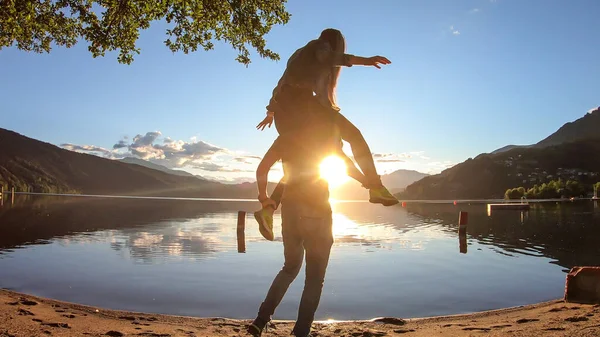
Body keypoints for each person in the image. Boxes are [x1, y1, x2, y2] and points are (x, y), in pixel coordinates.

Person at [253, 28, 399, 241]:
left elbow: (279, 86)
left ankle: (269, 209)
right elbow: (327, 57)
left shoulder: (298, 54)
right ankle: (375, 185)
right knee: (354, 136)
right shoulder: (319, 46)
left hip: (287, 118)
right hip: (304, 109)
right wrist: (365, 61)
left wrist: (271, 112)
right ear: (334, 43)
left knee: (302, 165)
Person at [248, 116, 360, 337]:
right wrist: (370, 181)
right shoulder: (327, 133)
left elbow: (263, 168)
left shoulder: (285, 137)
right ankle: (300, 332)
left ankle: (260, 321)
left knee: (289, 269)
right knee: (315, 278)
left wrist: (265, 200)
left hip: (290, 213)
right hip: (318, 212)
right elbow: (346, 166)